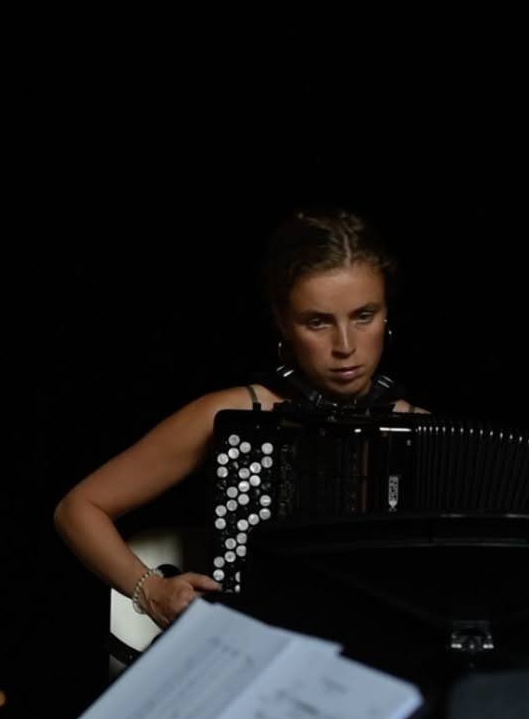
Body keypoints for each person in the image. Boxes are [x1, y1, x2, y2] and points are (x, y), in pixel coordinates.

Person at [54, 209, 426, 630]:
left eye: (363, 316)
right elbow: (78, 508)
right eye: (317, 322)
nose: (345, 346)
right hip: (252, 639)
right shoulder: (231, 413)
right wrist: (151, 590)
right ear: (282, 321)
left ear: (386, 312)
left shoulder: (424, 433)